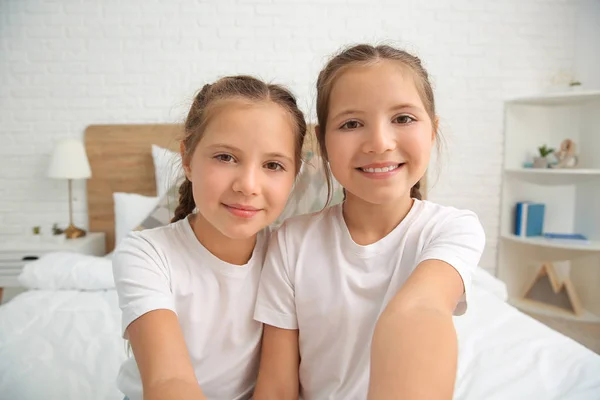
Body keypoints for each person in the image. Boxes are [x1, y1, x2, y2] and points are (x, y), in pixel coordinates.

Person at [253, 44, 486, 400]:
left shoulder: (452, 229)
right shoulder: (292, 241)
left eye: (403, 118)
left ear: (433, 130)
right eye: (351, 124)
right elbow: (277, 385)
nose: (379, 143)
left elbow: (422, 308)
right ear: (324, 143)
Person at [112, 75, 307, 400]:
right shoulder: (147, 254)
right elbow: (168, 382)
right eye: (225, 157)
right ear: (187, 159)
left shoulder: (289, 253)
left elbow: (279, 387)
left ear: (294, 175)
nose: (248, 185)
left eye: (273, 165)